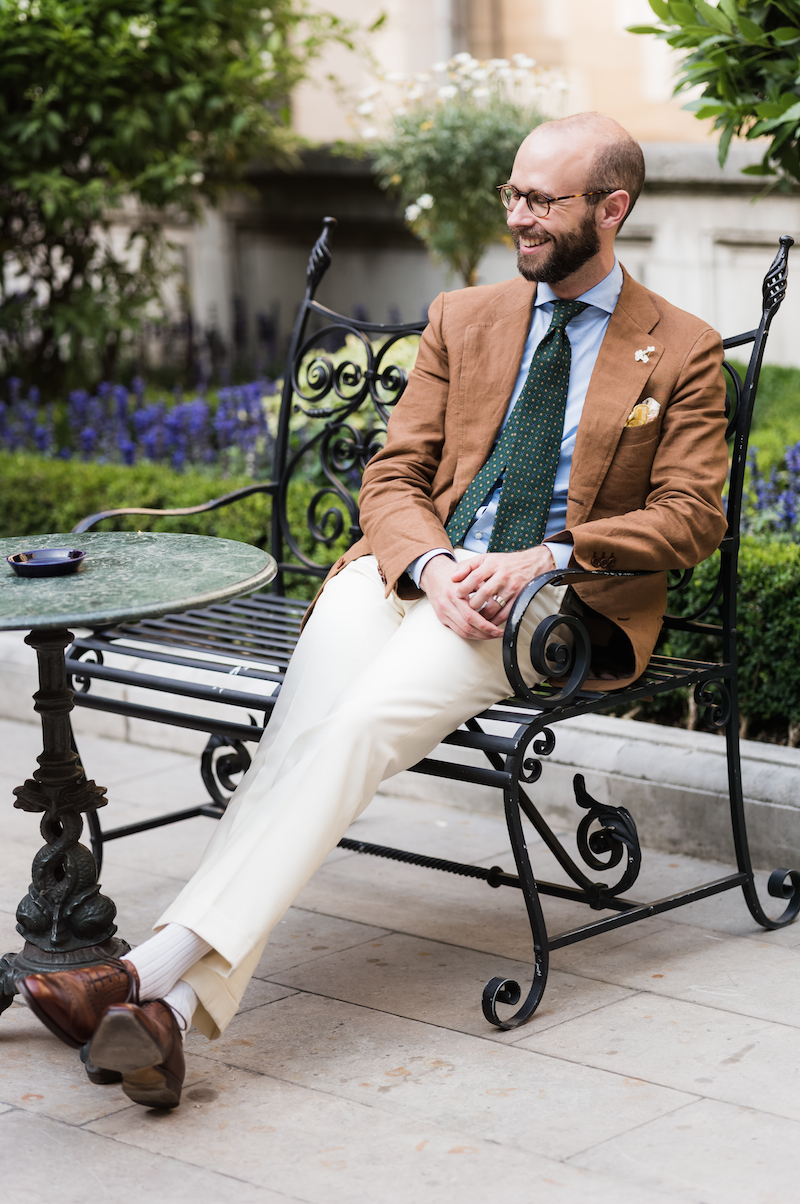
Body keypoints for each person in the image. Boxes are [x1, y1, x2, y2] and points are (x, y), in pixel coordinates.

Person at [19, 112, 729, 1109]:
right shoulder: (464, 316)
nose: (516, 216)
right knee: (305, 735)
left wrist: (545, 556)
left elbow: (691, 515)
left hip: (541, 607)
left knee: (350, 729)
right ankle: (168, 1011)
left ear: (610, 209)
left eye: (540, 200)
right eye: (510, 194)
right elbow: (395, 473)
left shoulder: (682, 348)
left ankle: (140, 973)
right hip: (405, 572)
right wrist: (431, 560)